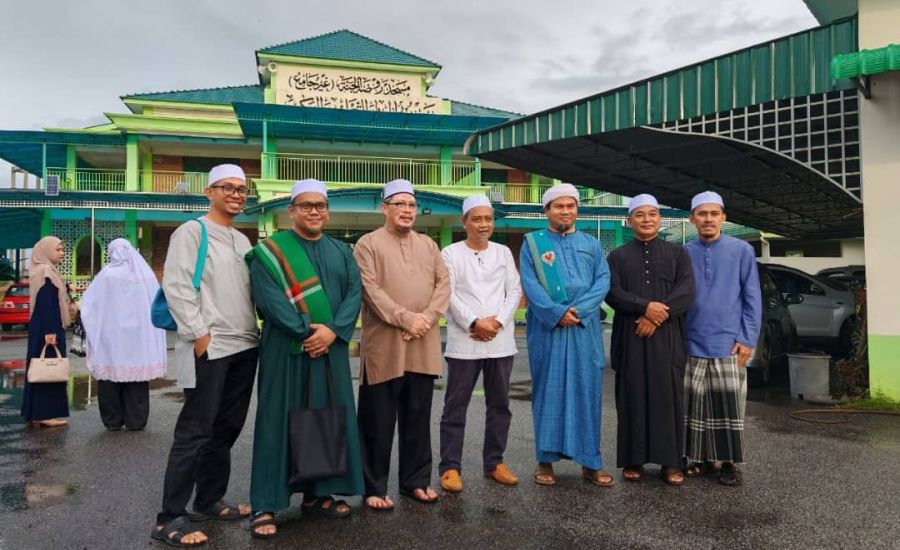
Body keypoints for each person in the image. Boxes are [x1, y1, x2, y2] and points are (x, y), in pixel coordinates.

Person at [246, 179, 364, 539]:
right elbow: (269, 299)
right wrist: (306, 332)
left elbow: (354, 294)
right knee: (276, 420)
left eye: (320, 206)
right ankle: (266, 503)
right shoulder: (269, 252)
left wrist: (333, 331)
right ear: (292, 211)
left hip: (331, 348)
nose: (314, 211)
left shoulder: (342, 251)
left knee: (327, 416)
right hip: (285, 349)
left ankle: (318, 493)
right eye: (306, 206)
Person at [152, 164, 259, 548]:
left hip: (245, 345)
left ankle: (209, 499)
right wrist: (199, 335)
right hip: (210, 346)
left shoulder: (242, 240)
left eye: (241, 189)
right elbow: (178, 285)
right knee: (195, 430)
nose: (236, 194)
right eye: (227, 187)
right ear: (209, 192)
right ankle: (169, 517)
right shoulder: (191, 232)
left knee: (226, 428)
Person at [354, 179, 450, 509]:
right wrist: (406, 319)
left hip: (422, 344)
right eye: (400, 204)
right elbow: (370, 290)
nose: (407, 210)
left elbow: (443, 284)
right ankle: (374, 487)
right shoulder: (367, 244)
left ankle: (416, 482)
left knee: (418, 418)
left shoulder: (428, 244)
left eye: (411, 205)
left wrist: (425, 318)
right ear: (384, 208)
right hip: (385, 345)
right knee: (377, 421)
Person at [519, 183, 613, 488]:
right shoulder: (532, 244)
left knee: (588, 392)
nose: (566, 211)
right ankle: (545, 461)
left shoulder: (591, 244)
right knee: (549, 392)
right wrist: (557, 313)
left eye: (571, 206)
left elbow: (603, 280)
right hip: (549, 330)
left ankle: (591, 463)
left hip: (585, 330)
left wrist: (580, 310)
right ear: (546, 210)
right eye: (559, 206)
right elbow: (531, 284)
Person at [606, 194, 695, 486]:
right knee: (631, 396)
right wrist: (644, 307)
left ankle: (672, 462)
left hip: (666, 336)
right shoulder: (617, 256)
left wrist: (655, 316)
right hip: (630, 335)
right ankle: (633, 460)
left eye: (652, 214)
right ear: (629, 221)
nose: (647, 219)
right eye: (640, 215)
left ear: (660, 219)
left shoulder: (678, 254)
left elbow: (686, 292)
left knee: (667, 397)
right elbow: (613, 293)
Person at [438, 195, 522, 493]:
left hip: (500, 341)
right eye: (477, 219)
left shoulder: (502, 252)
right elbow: (447, 293)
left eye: (488, 219)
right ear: (465, 222)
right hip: (465, 341)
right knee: (455, 405)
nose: (483, 224)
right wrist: (474, 322)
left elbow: (514, 291)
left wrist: (496, 322)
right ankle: (449, 467)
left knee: (500, 405)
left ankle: (494, 463)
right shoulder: (450, 253)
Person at [683, 191, 761, 486]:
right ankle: (699, 459)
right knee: (695, 405)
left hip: (729, 342)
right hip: (691, 341)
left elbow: (752, 297)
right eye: (702, 214)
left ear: (723, 218)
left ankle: (729, 463)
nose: (708, 219)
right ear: (692, 219)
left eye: (714, 214)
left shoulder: (742, 250)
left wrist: (748, 338)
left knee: (729, 406)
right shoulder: (683, 253)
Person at [80, 238, 166, 431]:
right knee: (136, 377)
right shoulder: (146, 275)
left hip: (111, 336)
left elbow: (90, 305)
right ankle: (136, 420)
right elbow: (156, 305)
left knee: (110, 377)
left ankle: (113, 420)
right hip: (139, 337)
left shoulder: (106, 275)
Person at [21, 236, 72, 428]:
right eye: (58, 249)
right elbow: (48, 304)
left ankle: (34, 412)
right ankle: (46, 414)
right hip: (48, 327)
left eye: (62, 249)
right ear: (46, 250)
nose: (61, 253)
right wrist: (51, 332)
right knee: (49, 369)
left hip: (40, 326)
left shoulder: (42, 270)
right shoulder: (46, 272)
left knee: (38, 368)